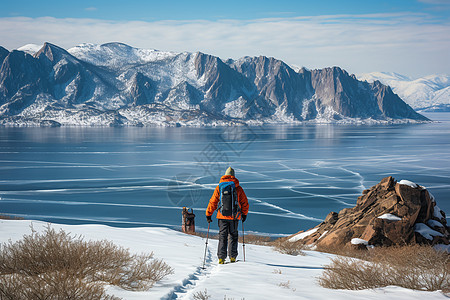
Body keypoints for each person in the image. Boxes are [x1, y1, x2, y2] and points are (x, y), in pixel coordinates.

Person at [206, 167, 249, 264]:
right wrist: (244, 214)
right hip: (234, 216)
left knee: (222, 236)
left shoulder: (219, 187)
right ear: (234, 176)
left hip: (222, 216)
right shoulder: (238, 188)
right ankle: (232, 257)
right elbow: (245, 203)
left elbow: (213, 202)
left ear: (225, 175)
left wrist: (208, 214)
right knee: (233, 236)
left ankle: (221, 258)